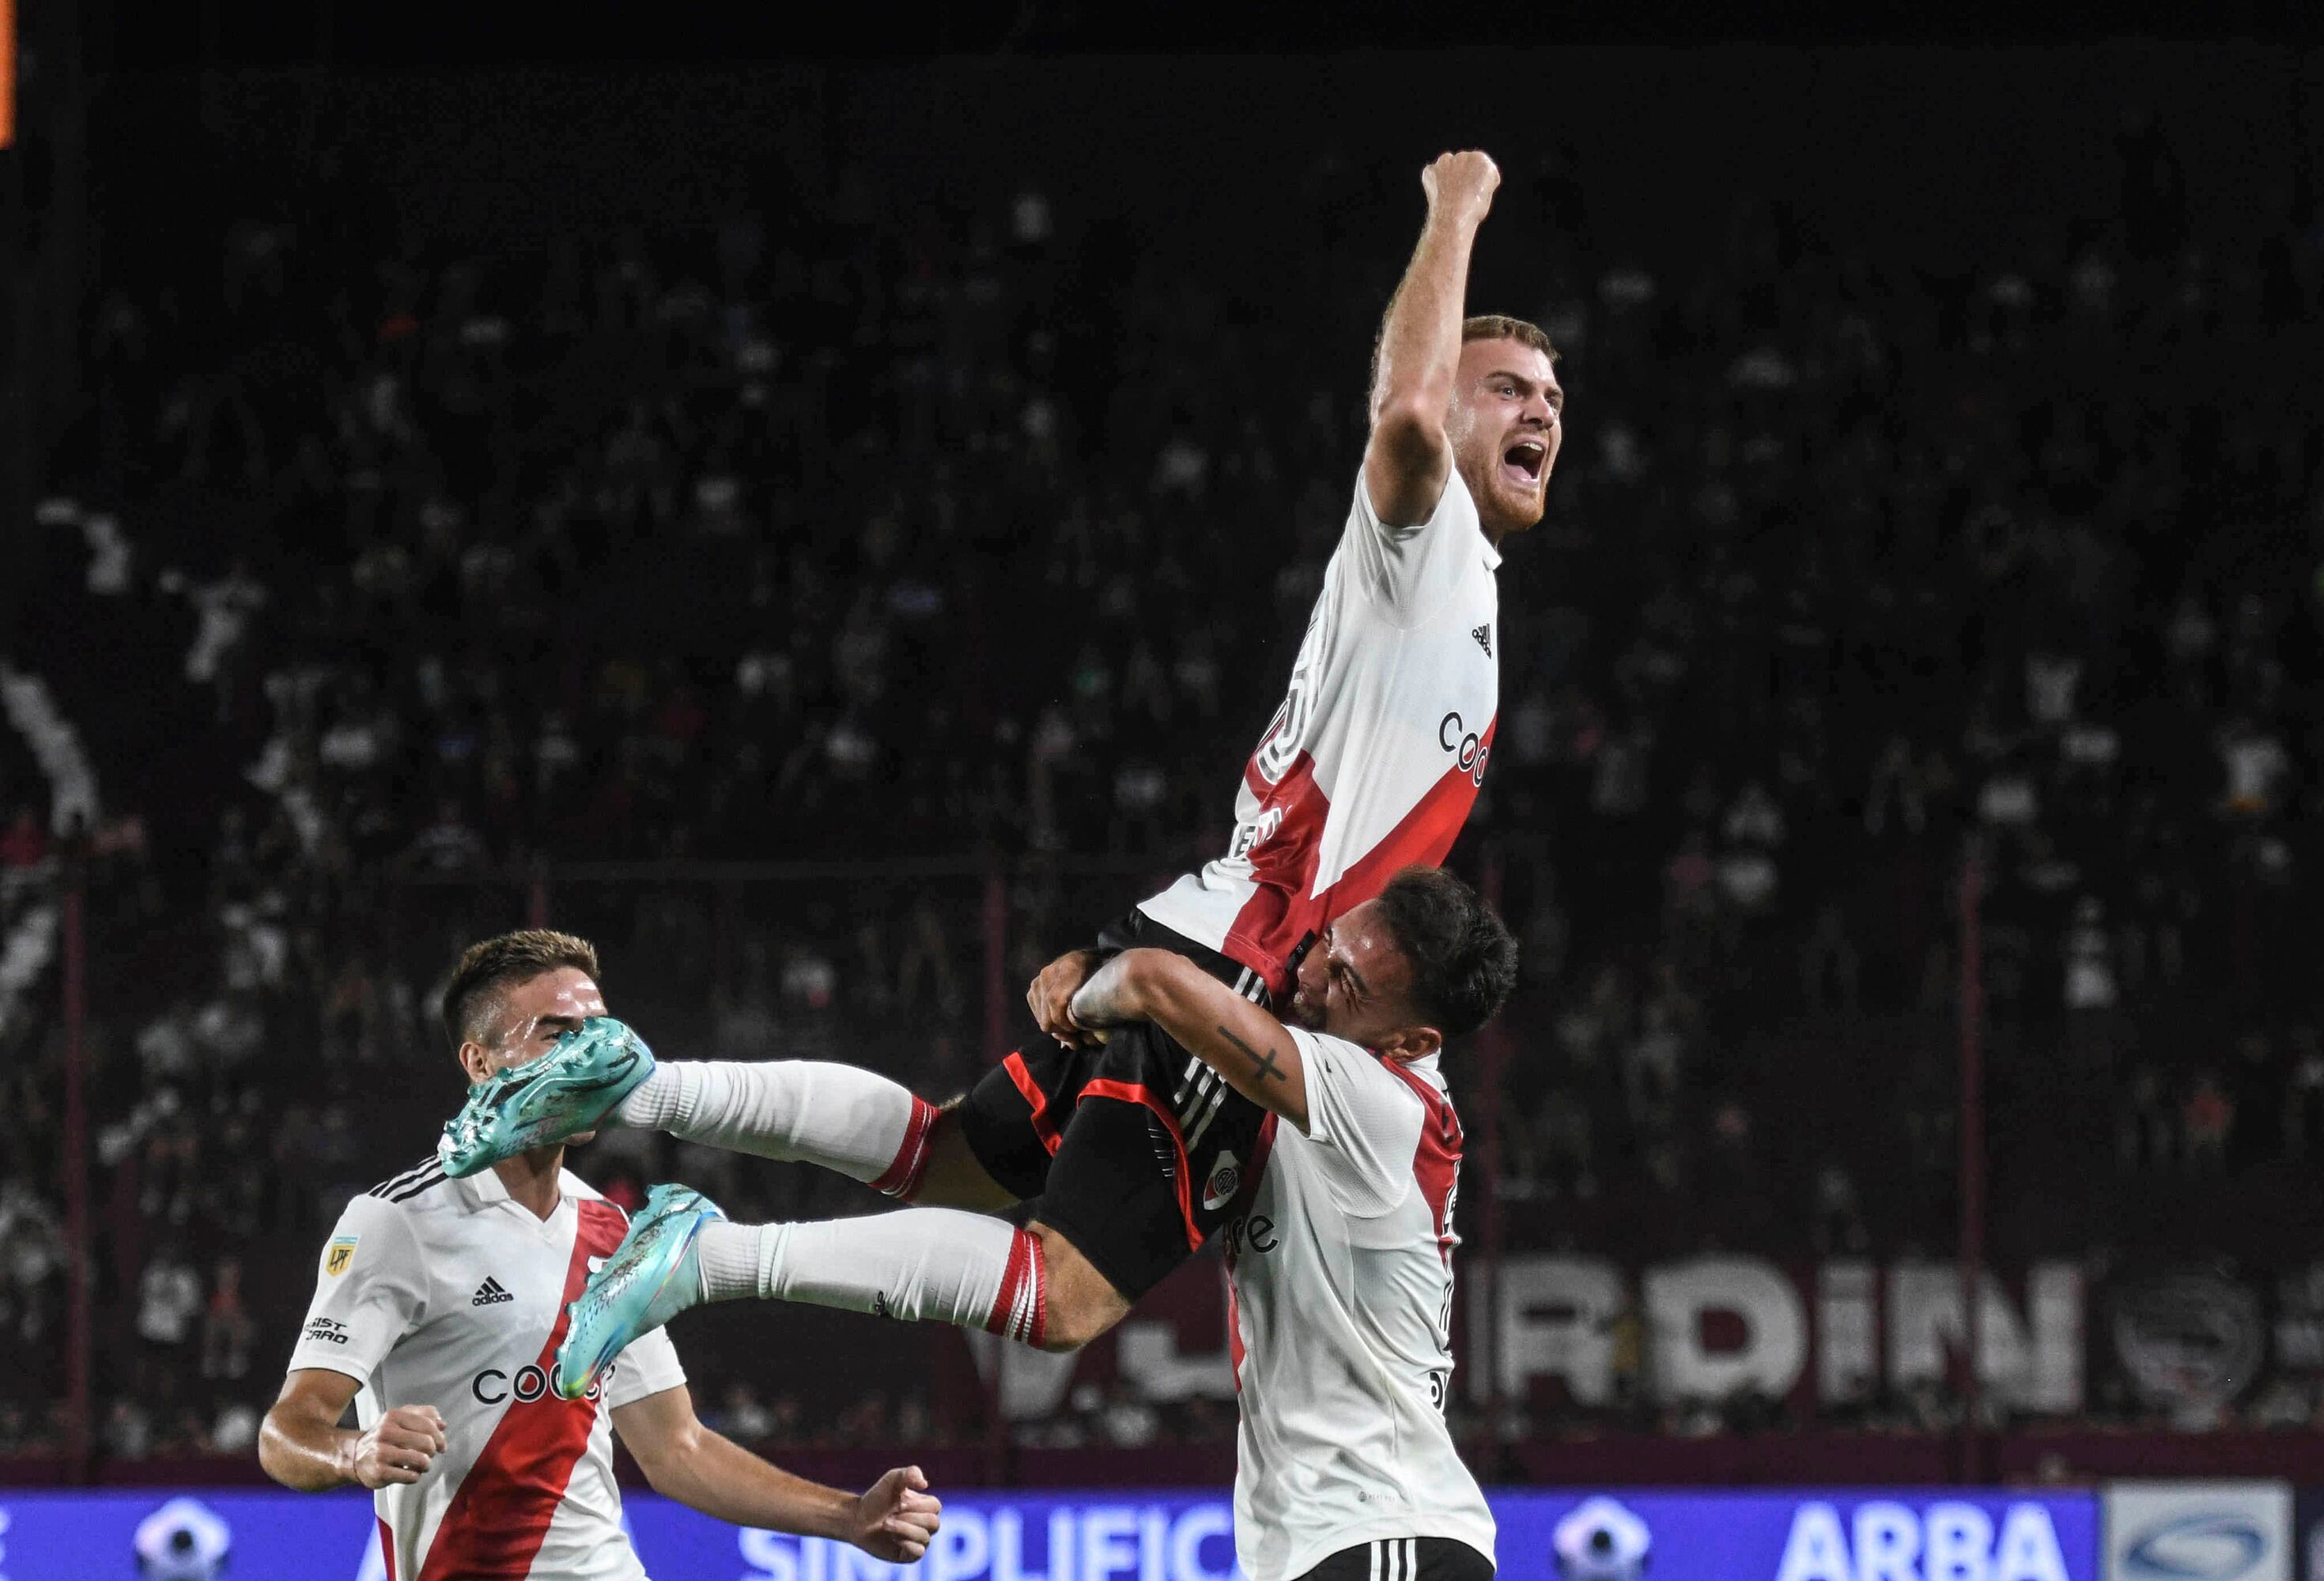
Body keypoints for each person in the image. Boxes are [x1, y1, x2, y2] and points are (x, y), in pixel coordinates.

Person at [438, 149, 1558, 1350]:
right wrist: (1459, 207)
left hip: (1207, 922)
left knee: (948, 1161)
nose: (1540, 408)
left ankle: (633, 1084)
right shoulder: (1428, 544)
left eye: (1551, 395)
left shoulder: (1461, 590)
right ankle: (703, 1253)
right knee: (1068, 1293)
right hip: (1245, 970)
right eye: (1504, 387)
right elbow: (1401, 415)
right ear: (1451, 401)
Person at [561, 864, 1517, 1581]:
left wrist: (1087, 985)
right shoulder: (1319, 1046)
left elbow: (1152, 978)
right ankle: (651, 1099)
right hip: (1331, 1538)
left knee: (1048, 1275)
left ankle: (693, 1210)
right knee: (955, 1165)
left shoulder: (1382, 1104)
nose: (1312, 977)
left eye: (1348, 982)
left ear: (1415, 1040)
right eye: (1328, 946)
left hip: (1390, 1535)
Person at [259, 930, 943, 1581]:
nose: (594, 1059)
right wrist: (356, 1450)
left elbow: (678, 1449)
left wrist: (850, 1517)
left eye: (599, 1032)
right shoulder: (396, 1223)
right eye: (558, 1034)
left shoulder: (612, 1228)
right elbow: (288, 1431)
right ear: (480, 1062)